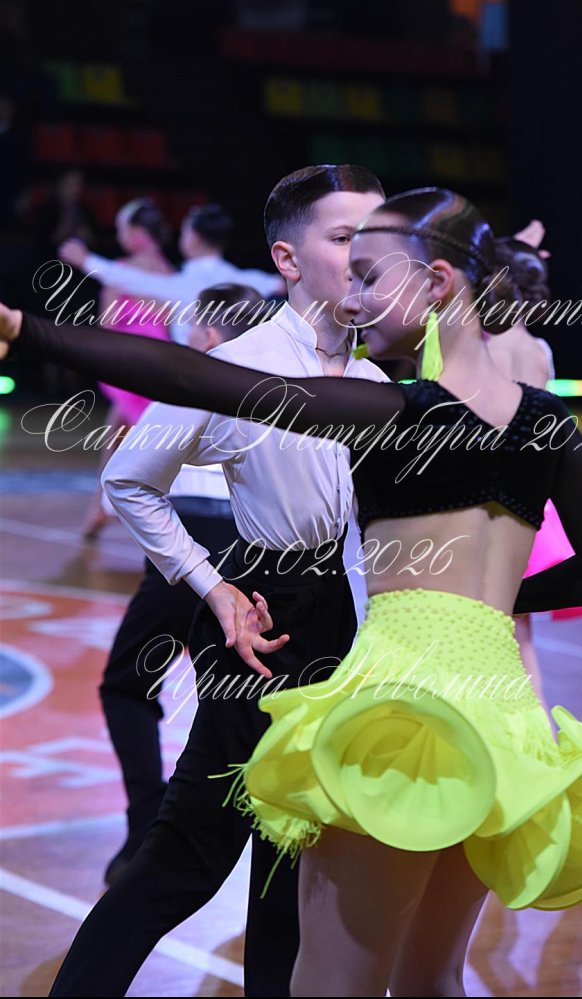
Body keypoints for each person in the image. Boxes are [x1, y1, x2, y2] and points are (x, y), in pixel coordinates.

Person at [2, 186, 582, 998]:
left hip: (397, 707)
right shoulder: (546, 420)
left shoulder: (394, 410)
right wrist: (475, 601)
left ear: (438, 282)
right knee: (432, 979)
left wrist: (24, 328)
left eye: (372, 274)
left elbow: (194, 376)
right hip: (501, 719)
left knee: (329, 978)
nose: (355, 295)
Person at [12, 164, 389, 998]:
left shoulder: (375, 379)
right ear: (287, 259)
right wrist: (211, 586)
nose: (367, 255)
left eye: (378, 236)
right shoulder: (238, 365)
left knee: (291, 857)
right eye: (345, 237)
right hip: (262, 616)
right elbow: (129, 479)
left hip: (336, 622)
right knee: (189, 854)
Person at [100, 283, 266, 886]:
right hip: (256, 548)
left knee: (127, 686)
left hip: (187, 541)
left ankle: (149, 827)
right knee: (246, 705)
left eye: (194, 327)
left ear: (210, 334)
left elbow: (127, 484)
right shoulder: (287, 386)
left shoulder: (191, 381)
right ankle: (263, 843)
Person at [487, 236, 582, 710]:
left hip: (498, 496)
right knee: (520, 632)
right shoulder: (539, 348)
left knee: (505, 627)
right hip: (536, 495)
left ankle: (526, 728)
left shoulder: (487, 346)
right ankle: (537, 725)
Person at [59, 202, 285, 344]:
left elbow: (132, 280)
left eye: (184, 232)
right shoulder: (250, 280)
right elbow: (282, 284)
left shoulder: (183, 284)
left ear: (193, 238)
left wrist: (85, 260)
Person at [82, 198, 175, 539]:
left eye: (122, 229)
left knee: (123, 441)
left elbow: (106, 322)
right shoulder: (170, 274)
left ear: (136, 232)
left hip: (129, 365)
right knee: (127, 438)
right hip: (159, 366)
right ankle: (101, 508)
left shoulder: (121, 271)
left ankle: (105, 509)